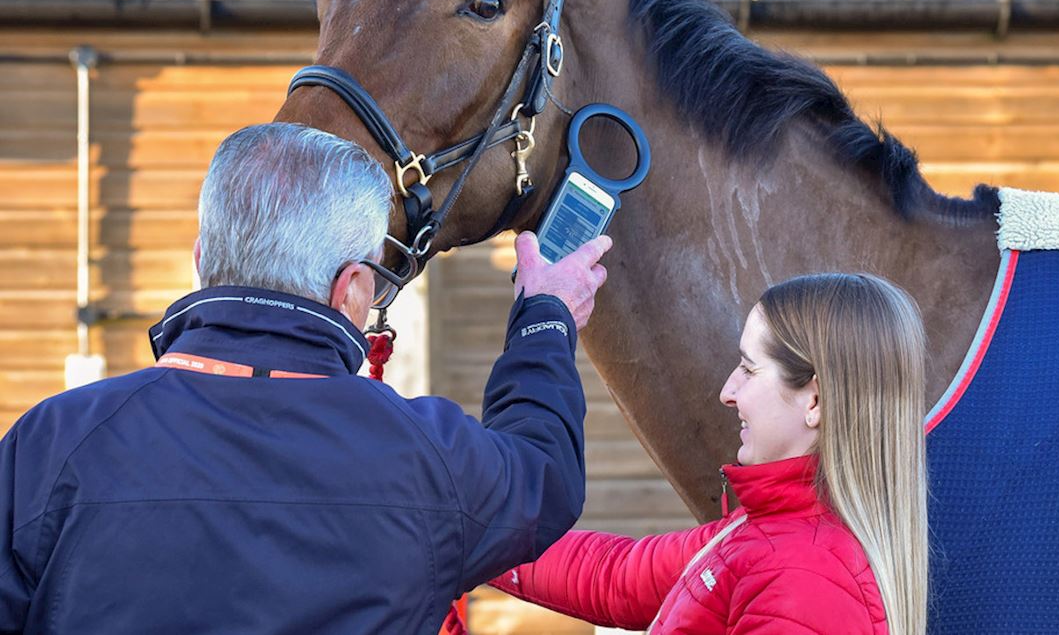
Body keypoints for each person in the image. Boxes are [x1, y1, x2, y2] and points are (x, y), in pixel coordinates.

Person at [0, 123, 611, 633]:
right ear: (353, 288)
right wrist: (544, 317)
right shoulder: (431, 458)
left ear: (201, 261)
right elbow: (543, 477)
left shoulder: (50, 442)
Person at [492, 273, 928, 634]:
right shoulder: (769, 529)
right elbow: (615, 577)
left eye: (748, 368)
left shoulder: (806, 582)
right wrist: (462, 528)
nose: (727, 392)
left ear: (814, 401)